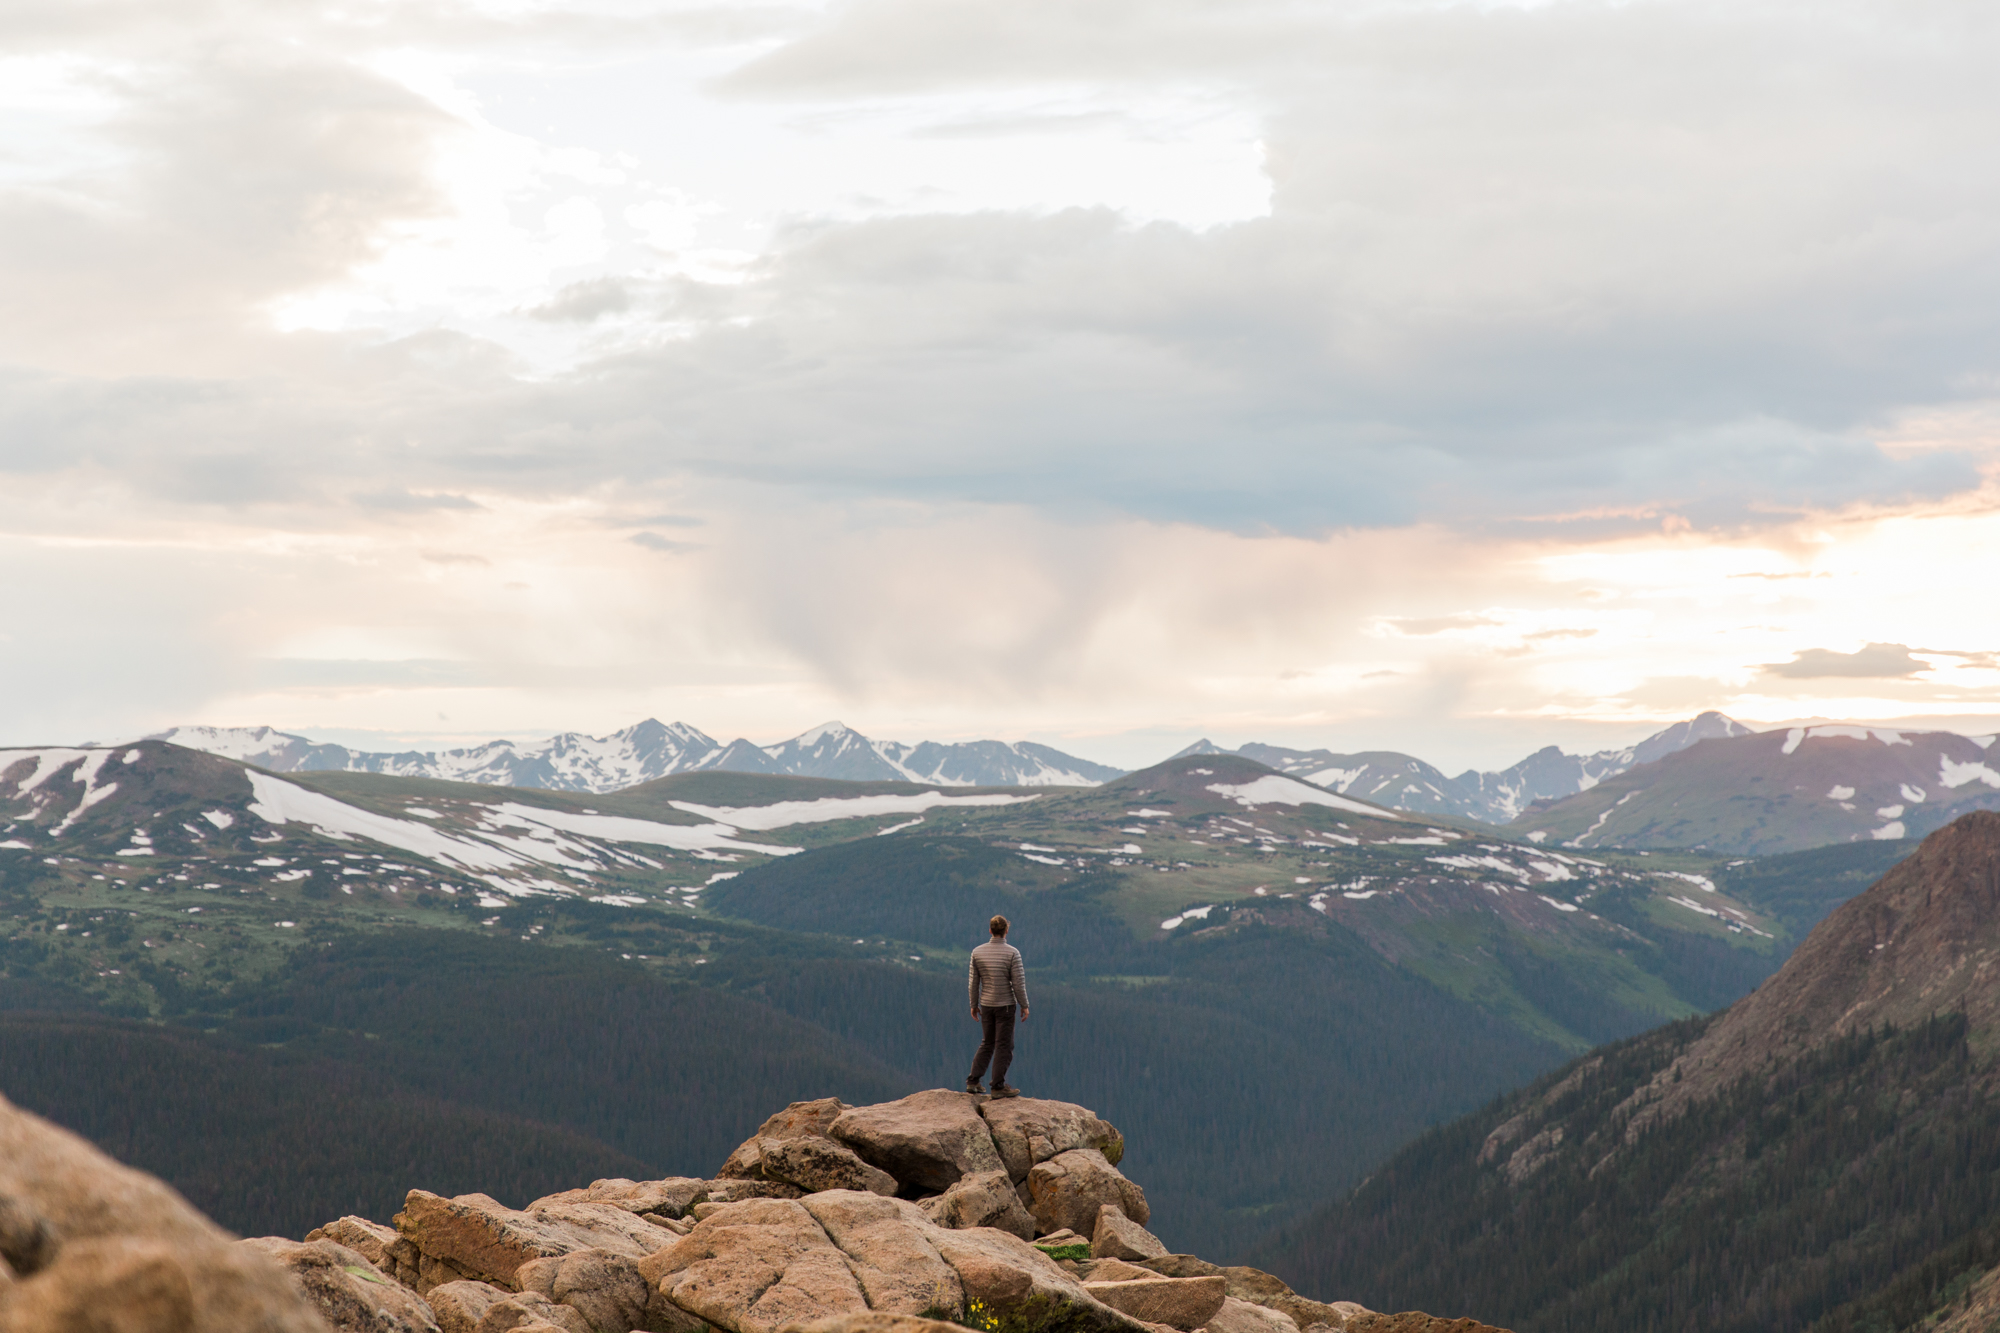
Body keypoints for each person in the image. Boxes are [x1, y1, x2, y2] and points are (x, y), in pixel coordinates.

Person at [966, 914, 1029, 1098]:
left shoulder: (977, 952)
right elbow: (1018, 983)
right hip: (1006, 1006)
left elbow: (973, 982)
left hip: (986, 1004)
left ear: (990, 931)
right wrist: (1024, 1005)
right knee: (1004, 1045)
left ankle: (973, 1081)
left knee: (987, 1043)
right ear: (1006, 931)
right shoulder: (1012, 953)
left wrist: (973, 1004)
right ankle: (998, 1086)